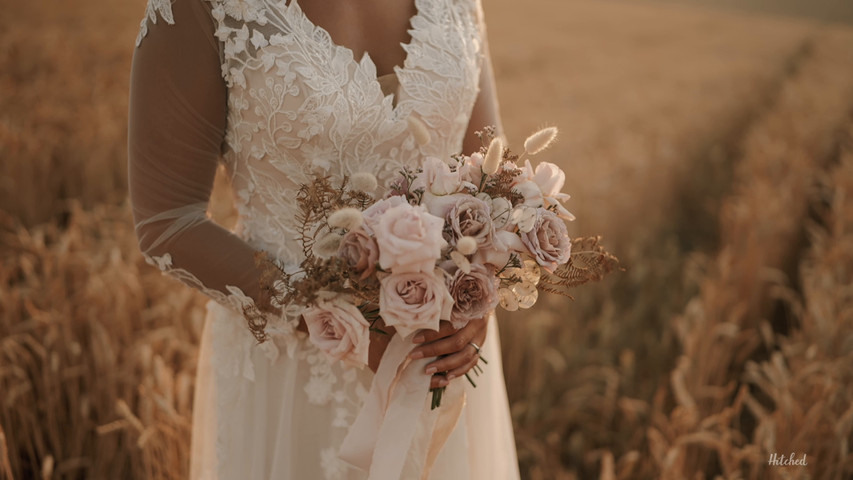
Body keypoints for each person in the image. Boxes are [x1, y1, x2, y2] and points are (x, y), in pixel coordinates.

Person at [129, 0, 519, 478]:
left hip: (444, 357)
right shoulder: (203, 8)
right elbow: (167, 220)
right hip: (293, 372)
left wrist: (478, 300)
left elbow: (493, 175)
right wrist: (341, 325)